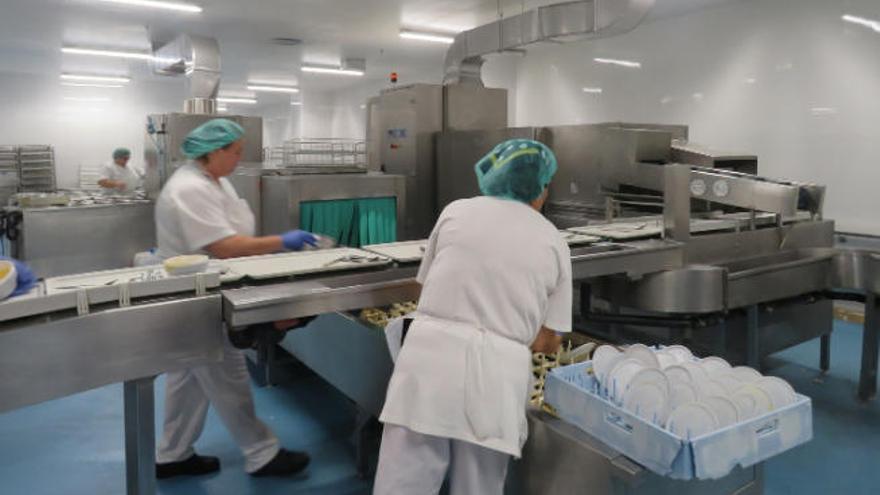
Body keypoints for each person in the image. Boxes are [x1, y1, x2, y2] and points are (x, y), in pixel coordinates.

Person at [373, 139, 572, 494]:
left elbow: (428, 286)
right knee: (477, 485)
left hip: (426, 364)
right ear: (540, 189)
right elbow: (551, 340)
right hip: (496, 377)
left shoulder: (455, 211)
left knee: (402, 481)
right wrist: (507, 331)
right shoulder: (554, 240)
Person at [154, 118, 317, 479]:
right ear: (213, 152)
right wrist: (281, 242)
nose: (239, 159)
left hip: (210, 289)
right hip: (198, 296)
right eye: (236, 152)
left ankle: (172, 454)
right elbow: (224, 246)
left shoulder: (216, 182)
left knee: (187, 378)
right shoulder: (189, 189)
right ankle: (262, 453)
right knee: (227, 372)